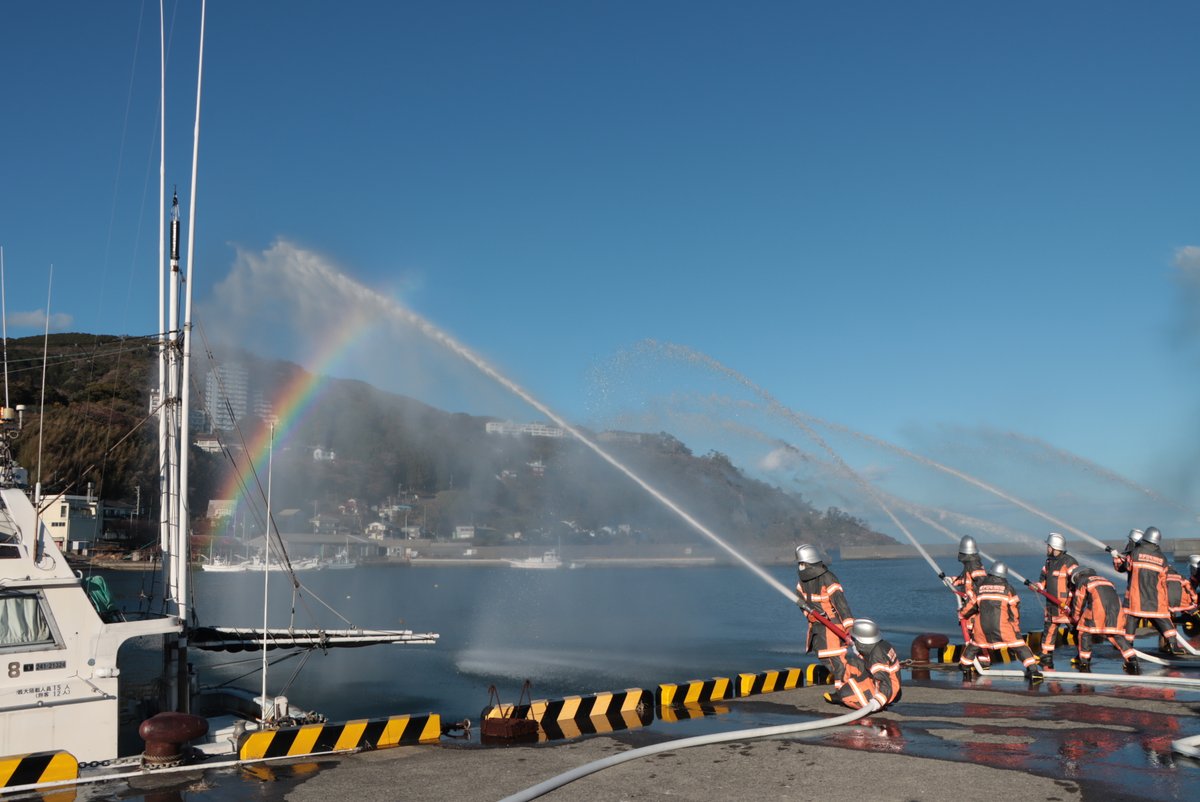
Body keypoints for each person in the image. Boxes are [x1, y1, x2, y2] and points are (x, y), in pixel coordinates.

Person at [957, 562, 1043, 682]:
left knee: (974, 645)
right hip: (1003, 627)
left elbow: (971, 607)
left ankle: (965, 667)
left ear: (991, 572)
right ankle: (1034, 671)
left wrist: (961, 613)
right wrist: (1015, 627)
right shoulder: (1008, 589)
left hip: (982, 628)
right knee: (1019, 646)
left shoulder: (980, 588)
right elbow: (1014, 610)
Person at [1110, 526, 1187, 655]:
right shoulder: (1162, 558)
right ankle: (1174, 645)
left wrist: (1116, 558)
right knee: (1163, 620)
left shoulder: (1135, 552)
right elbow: (1163, 579)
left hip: (1136, 598)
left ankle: (1128, 645)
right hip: (1155, 600)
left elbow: (1124, 567)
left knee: (1130, 621)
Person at [794, 543, 855, 690]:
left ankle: (847, 690)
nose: (800, 567)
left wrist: (849, 626)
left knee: (836, 660)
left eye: (802, 563)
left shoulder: (828, 578)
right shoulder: (803, 582)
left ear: (809, 561)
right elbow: (800, 602)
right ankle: (847, 688)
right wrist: (809, 615)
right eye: (799, 564)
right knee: (825, 658)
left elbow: (841, 604)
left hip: (832, 627)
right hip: (817, 627)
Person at [1067, 567, 1137, 673]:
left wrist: (1075, 617)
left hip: (1098, 611)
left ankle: (1084, 661)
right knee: (1116, 635)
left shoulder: (1083, 581)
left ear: (1077, 575)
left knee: (1084, 631)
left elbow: (1079, 602)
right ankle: (1132, 660)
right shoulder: (1105, 580)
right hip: (1117, 611)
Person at [826, 618, 901, 710]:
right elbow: (867, 659)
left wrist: (877, 702)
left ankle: (853, 700)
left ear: (862, 642)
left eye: (855, 639)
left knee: (845, 695)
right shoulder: (881, 645)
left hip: (886, 690)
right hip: (877, 679)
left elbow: (885, 683)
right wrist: (856, 649)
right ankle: (841, 691)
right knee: (850, 665)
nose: (853, 641)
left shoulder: (877, 657)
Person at [1033, 532, 1078, 669]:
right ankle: (1045, 655)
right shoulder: (1049, 562)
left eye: (1048, 546)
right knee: (1049, 629)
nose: (1047, 549)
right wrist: (1038, 586)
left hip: (1066, 605)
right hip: (1052, 604)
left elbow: (1077, 582)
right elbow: (1043, 579)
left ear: (1054, 547)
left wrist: (1074, 603)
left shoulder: (1069, 562)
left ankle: (1083, 654)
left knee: (1076, 630)